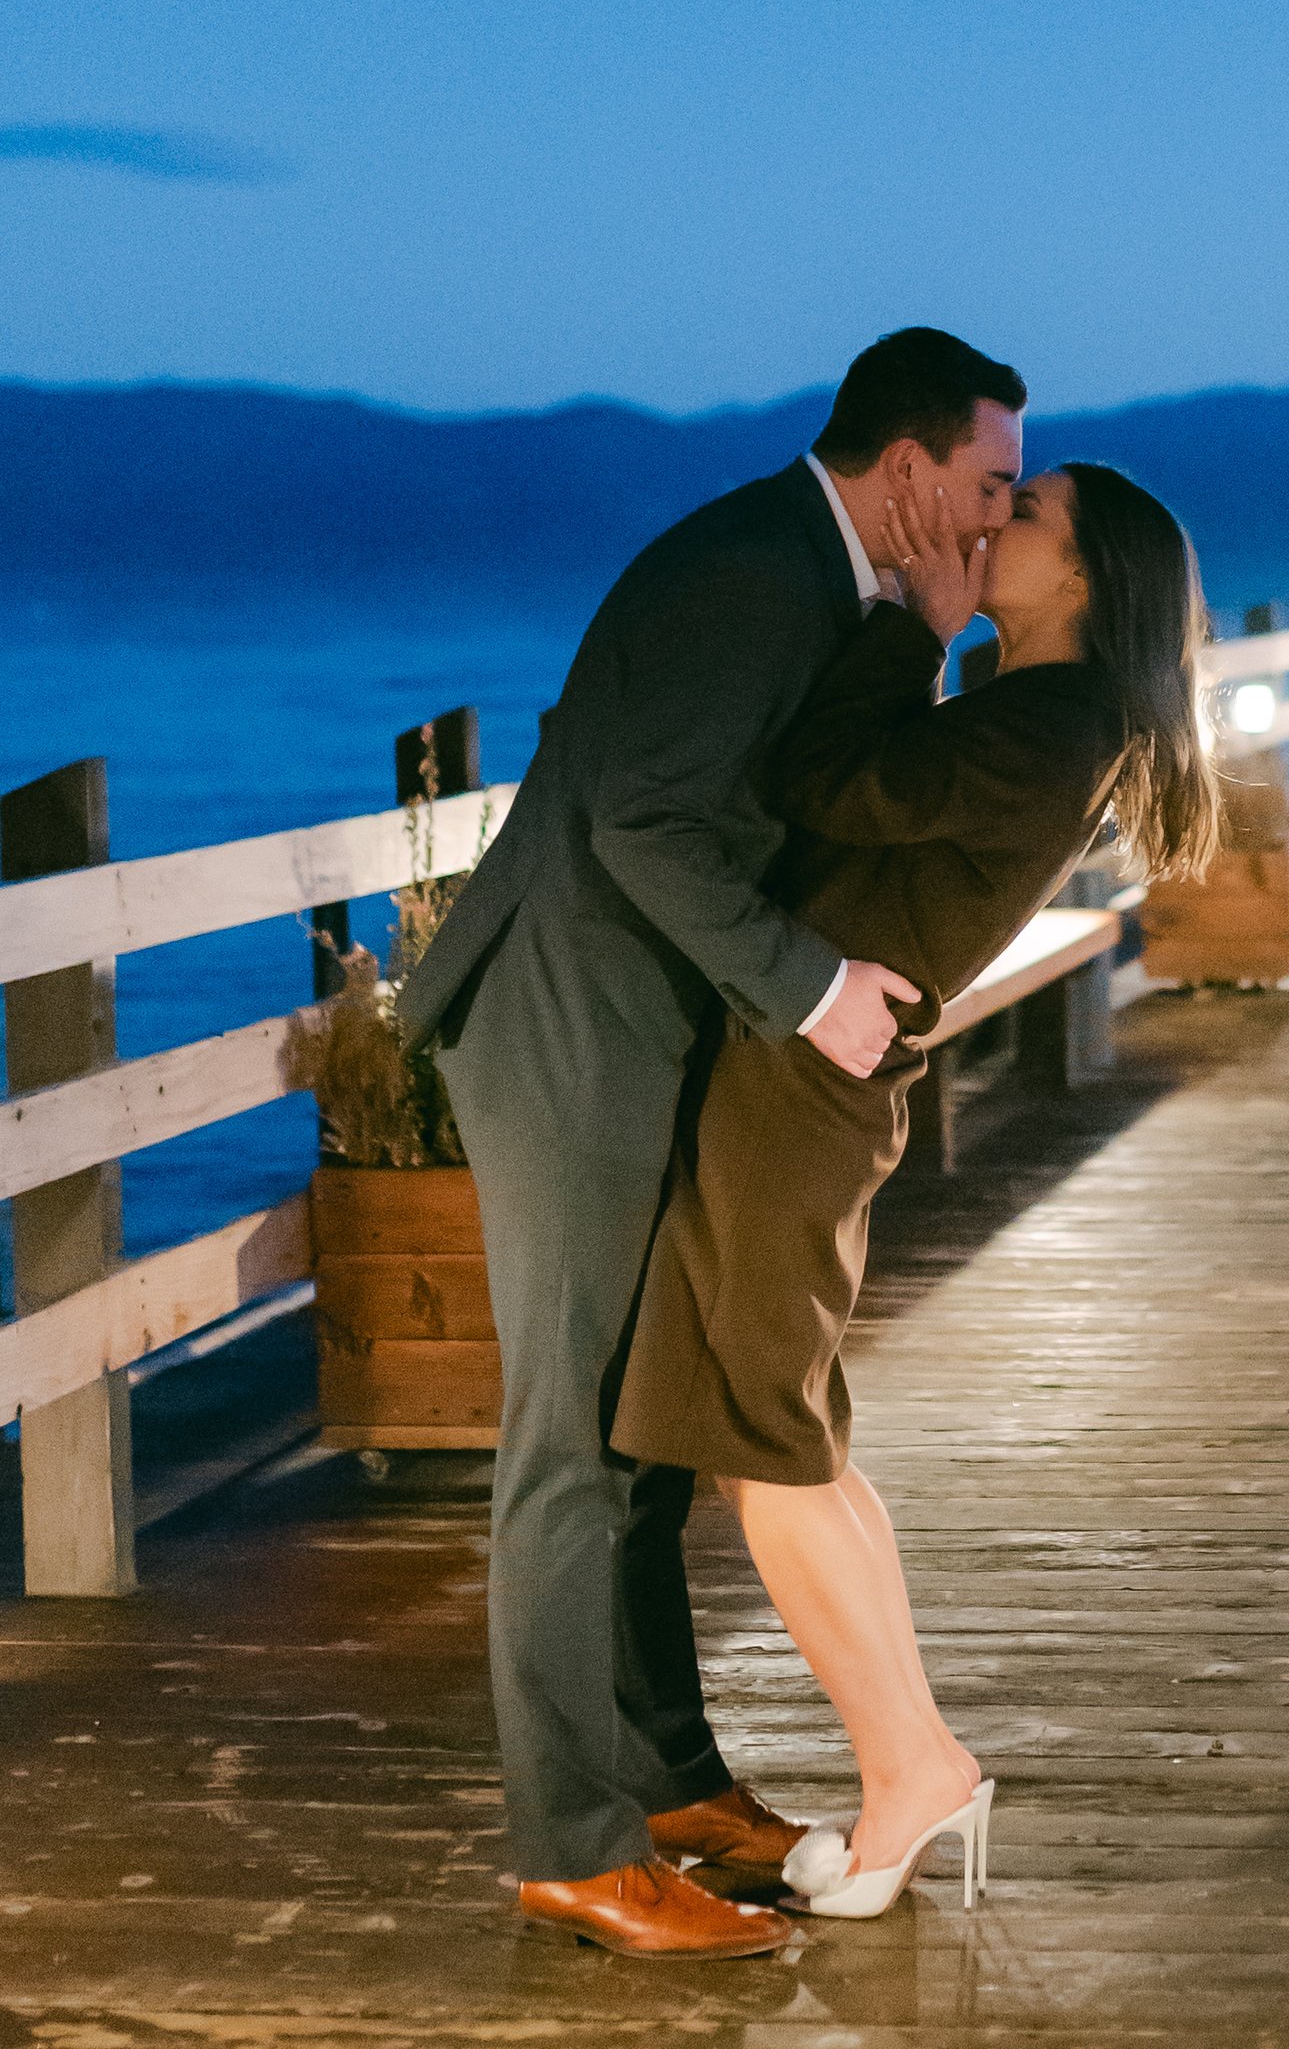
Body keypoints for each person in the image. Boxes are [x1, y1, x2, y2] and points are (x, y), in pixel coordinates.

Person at [395, 327, 1027, 1960]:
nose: (997, 519)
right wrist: (813, 990)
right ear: (905, 474)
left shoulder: (828, 584)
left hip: (642, 1025)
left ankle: (669, 1789)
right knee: (567, 1447)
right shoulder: (755, 572)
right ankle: (575, 1848)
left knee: (644, 1433)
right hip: (565, 1025)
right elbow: (640, 823)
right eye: (988, 487)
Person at [610, 458, 1219, 1921]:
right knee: (795, 1438)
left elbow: (823, 778)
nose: (986, 526)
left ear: (1081, 578)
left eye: (1026, 516)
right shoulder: (1055, 718)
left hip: (797, 1094)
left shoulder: (1049, 717)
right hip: (816, 1085)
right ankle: (916, 1759)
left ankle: (909, 1769)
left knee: (767, 1455)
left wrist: (911, 623)